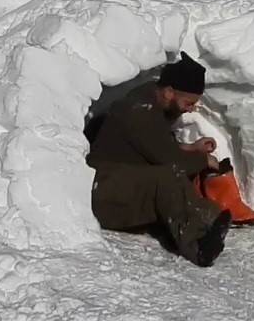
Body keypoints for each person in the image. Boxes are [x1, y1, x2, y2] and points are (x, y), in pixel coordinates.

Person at [86, 52, 232, 267]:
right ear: (169, 92)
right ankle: (197, 246)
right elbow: (171, 162)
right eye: (188, 102)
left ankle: (210, 218)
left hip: (119, 182)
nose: (190, 109)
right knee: (168, 176)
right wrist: (203, 160)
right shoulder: (139, 111)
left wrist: (191, 148)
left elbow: (156, 146)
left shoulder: (150, 103)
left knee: (172, 177)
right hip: (103, 192)